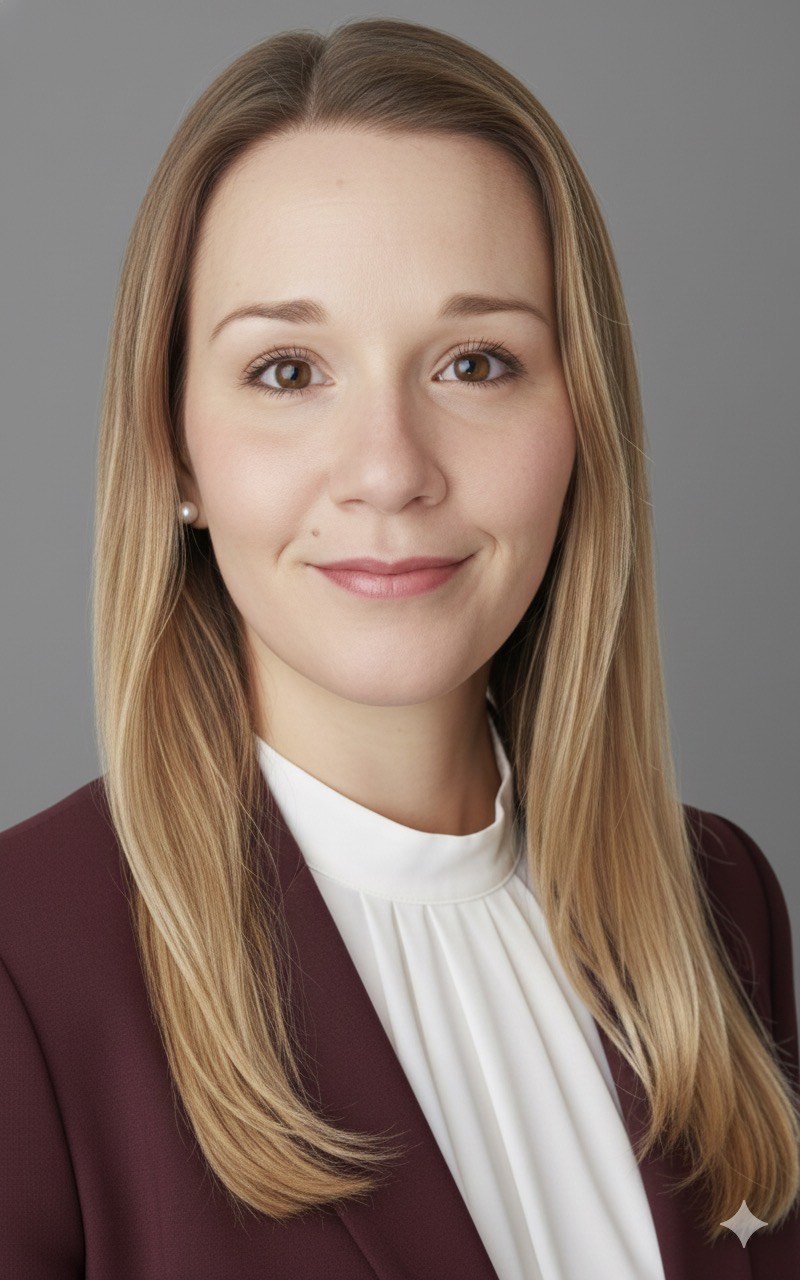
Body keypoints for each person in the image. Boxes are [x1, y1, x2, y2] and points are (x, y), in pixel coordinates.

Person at [1, 16, 797, 1280]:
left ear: (581, 421)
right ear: (174, 449)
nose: (387, 468)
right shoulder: (23, 969)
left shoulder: (721, 908)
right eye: (286, 370)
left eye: (475, 362)